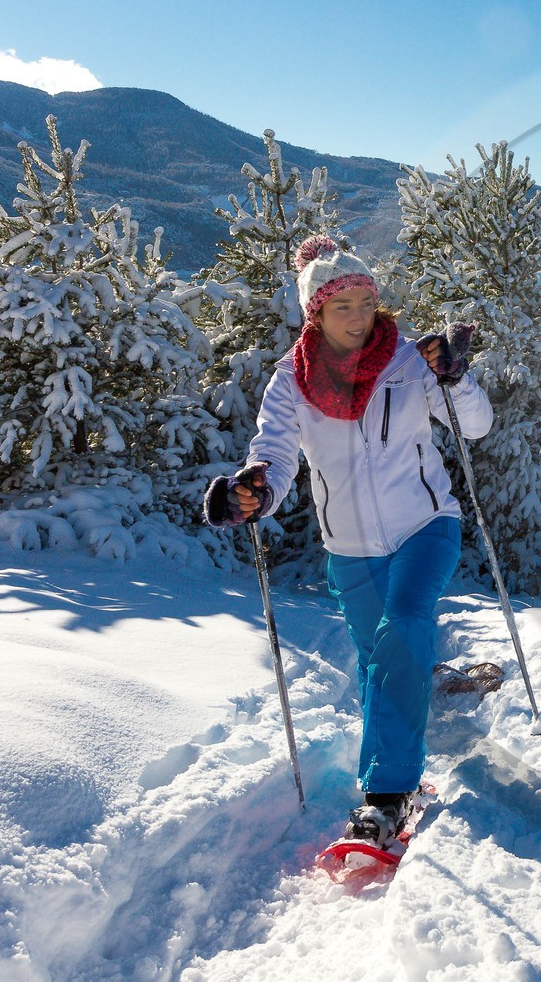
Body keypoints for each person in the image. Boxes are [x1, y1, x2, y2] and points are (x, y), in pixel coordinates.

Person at [203, 235, 493, 845]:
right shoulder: (290, 382)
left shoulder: (412, 360)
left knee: (404, 627)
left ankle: (387, 794)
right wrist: (250, 491)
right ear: (315, 312)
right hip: (350, 546)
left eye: (367, 300)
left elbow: (475, 425)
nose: (360, 315)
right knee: (376, 660)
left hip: (425, 523)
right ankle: (396, 779)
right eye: (344, 305)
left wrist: (456, 377)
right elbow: (275, 459)